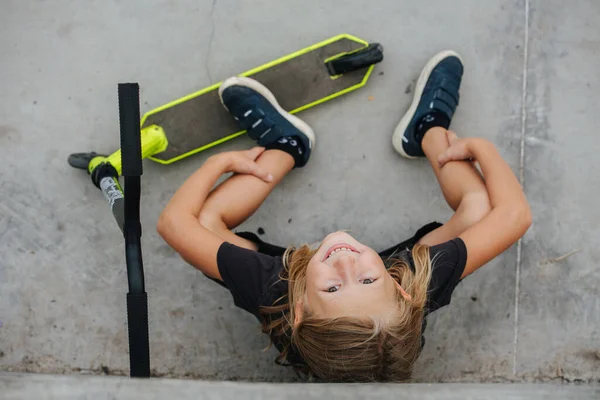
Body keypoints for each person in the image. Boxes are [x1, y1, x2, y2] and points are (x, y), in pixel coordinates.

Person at [157, 51, 532, 382]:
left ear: (298, 311)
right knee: (479, 208)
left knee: (205, 223)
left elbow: (174, 224)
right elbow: (514, 216)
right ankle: (428, 129)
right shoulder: (414, 288)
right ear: (403, 293)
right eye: (366, 279)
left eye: (333, 288)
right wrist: (482, 150)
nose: (345, 265)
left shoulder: (275, 291)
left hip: (294, 277)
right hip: (394, 278)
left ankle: (284, 145)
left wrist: (217, 164)